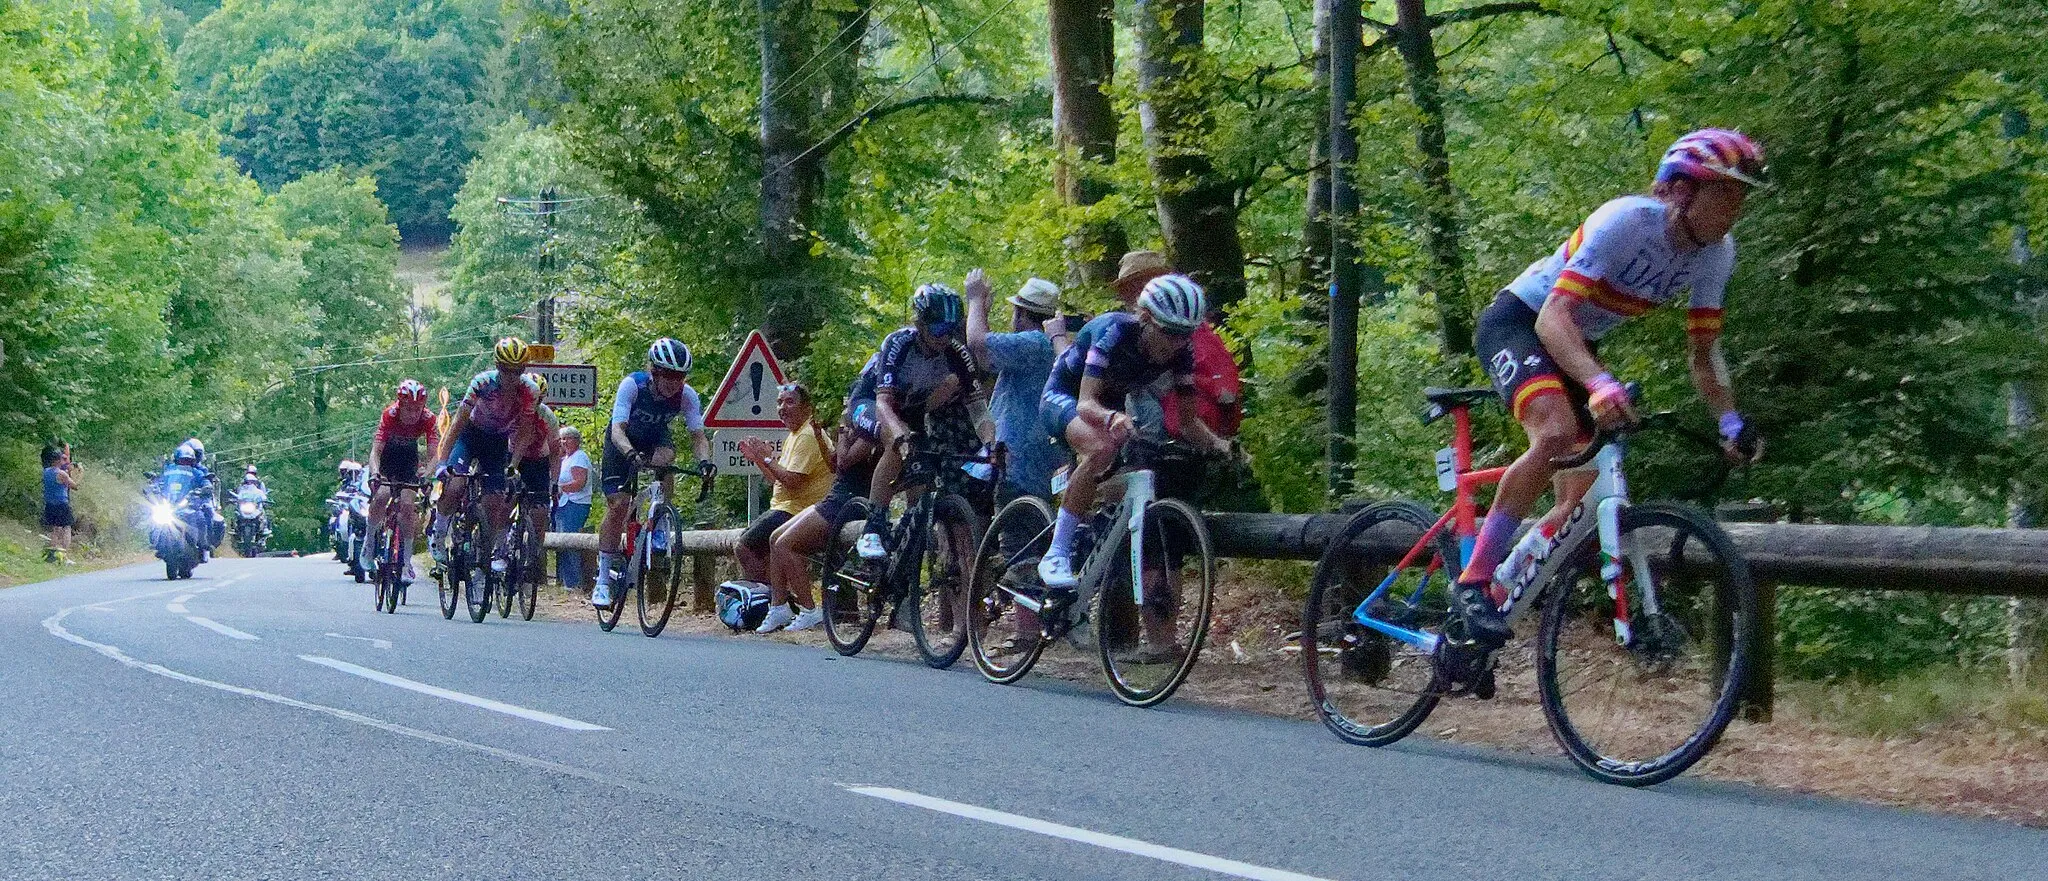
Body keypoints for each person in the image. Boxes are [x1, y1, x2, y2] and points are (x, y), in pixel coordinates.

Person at [1452, 128, 1768, 661]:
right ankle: (1472, 584)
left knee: (1579, 498)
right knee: (1554, 433)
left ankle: (1502, 595)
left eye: (1741, 199)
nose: (1734, 211)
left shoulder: (1717, 255)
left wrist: (1730, 421)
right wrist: (1598, 382)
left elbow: (1703, 352)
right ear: (1682, 191)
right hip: (1524, 322)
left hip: (1576, 341)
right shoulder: (1625, 222)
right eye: (1723, 195)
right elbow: (1554, 317)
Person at [1036, 274, 1231, 591]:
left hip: (1109, 406)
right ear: (1145, 318)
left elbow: (1187, 422)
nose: (1177, 343)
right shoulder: (1114, 331)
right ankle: (1056, 551)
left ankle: (1091, 536)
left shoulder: (1182, 352)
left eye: (1186, 335)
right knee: (1102, 447)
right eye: (1169, 333)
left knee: (1133, 471)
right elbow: (1087, 403)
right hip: (1066, 397)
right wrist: (1111, 416)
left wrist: (1220, 445)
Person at [854, 282, 996, 561]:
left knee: (925, 471)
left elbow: (979, 410)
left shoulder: (956, 353)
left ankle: (906, 550)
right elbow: (884, 404)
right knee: (895, 440)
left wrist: (992, 444)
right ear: (920, 323)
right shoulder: (900, 343)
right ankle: (872, 526)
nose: (945, 337)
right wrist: (899, 435)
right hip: (870, 402)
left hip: (911, 411)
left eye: (952, 329)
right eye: (938, 329)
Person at [592, 337, 715, 608]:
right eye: (669, 375)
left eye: (680, 376)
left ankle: (659, 521)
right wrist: (630, 455)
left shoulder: (686, 395)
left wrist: (704, 463)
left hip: (654, 438)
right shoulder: (632, 386)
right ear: (655, 371)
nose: (675, 382)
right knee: (619, 505)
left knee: (667, 459)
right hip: (621, 442)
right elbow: (616, 429)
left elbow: (698, 436)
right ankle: (602, 580)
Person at [766, 371, 884, 634]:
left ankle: (810, 609)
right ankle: (779, 607)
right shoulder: (851, 429)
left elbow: (845, 461)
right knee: (775, 537)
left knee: (787, 544)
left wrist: (842, 436)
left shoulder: (868, 435)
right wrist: (823, 438)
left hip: (846, 500)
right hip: (837, 493)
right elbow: (834, 465)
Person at [432, 338, 541, 575]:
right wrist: (442, 461)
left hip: (497, 442)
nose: (511, 376)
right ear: (497, 366)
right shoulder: (482, 383)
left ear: (523, 370)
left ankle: (483, 555)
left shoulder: (529, 391)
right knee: (456, 484)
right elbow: (458, 423)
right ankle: (438, 533)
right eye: (506, 369)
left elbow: (524, 432)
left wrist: (514, 464)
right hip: (469, 436)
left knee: (494, 502)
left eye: (517, 371)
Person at [963, 270, 1070, 502]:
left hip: (1018, 462)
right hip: (1039, 461)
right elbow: (985, 359)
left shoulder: (1034, 342)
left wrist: (974, 299)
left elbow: (977, 343)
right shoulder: (1046, 344)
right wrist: (982, 312)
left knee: (1015, 533)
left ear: (1020, 313)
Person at [738, 383, 834, 632]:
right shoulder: (795, 435)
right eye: (780, 402)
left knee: (745, 546)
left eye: (789, 402)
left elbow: (793, 482)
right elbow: (777, 480)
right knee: (764, 544)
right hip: (785, 505)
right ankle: (778, 605)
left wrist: (768, 457)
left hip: (798, 509)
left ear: (806, 407)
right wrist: (760, 459)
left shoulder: (807, 435)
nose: (782, 408)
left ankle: (783, 604)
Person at [367, 379, 437, 584]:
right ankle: (369, 544)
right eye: (409, 408)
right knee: (381, 496)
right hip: (388, 458)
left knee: (407, 506)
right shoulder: (390, 415)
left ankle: (406, 563)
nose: (413, 413)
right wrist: (374, 473)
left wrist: (427, 475)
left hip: (408, 461)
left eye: (418, 408)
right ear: (400, 405)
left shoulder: (429, 419)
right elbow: (376, 451)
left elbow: (434, 456)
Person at [508, 373, 562, 571]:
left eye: (538, 399)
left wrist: (554, 482)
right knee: (507, 500)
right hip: (512, 456)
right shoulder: (512, 410)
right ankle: (501, 541)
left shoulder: (547, 416)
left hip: (538, 461)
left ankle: (532, 554)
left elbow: (556, 452)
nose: (532, 402)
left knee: (540, 512)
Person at [554, 425, 594, 590]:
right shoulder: (565, 459)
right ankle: (566, 581)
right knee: (561, 542)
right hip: (564, 504)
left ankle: (574, 583)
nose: (564, 442)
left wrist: (560, 488)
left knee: (570, 542)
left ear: (576, 440)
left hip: (575, 504)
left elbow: (579, 483)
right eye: (562, 439)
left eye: (567, 438)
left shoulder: (579, 457)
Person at [41, 444, 78, 563]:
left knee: (56, 529)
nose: (64, 460)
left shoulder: (46, 472)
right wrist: (79, 474)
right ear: (57, 460)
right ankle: (64, 556)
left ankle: (52, 555)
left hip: (50, 504)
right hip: (61, 504)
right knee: (67, 529)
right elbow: (74, 486)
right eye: (62, 458)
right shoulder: (62, 474)